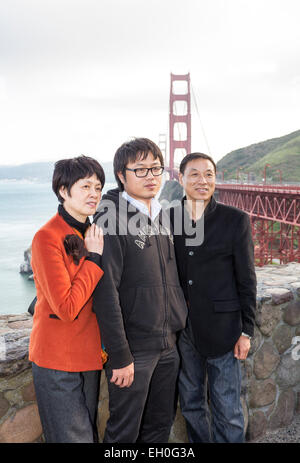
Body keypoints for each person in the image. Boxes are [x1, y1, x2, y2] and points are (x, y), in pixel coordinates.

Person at [92, 137, 187, 443]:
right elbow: (105, 293)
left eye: (156, 168)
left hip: (168, 344)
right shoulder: (110, 218)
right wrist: (120, 355)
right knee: (124, 432)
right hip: (134, 349)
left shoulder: (160, 215)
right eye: (141, 170)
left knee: (159, 426)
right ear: (121, 174)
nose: (151, 176)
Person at [170, 152, 257, 443]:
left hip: (225, 330)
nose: (202, 180)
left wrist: (247, 331)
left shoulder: (236, 220)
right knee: (192, 403)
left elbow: (246, 279)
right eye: (194, 174)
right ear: (180, 179)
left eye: (209, 174)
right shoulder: (168, 217)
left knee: (227, 407)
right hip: (184, 330)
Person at [29, 155, 106, 443]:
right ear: (64, 191)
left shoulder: (92, 232)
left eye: (97, 187)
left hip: (89, 355)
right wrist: (94, 259)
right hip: (57, 358)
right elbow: (66, 307)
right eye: (85, 186)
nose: (94, 194)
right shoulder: (46, 237)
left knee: (87, 436)